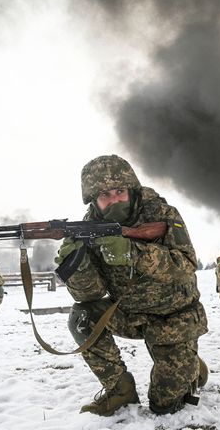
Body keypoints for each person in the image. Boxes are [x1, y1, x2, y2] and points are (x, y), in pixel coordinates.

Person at [54, 154, 208, 416]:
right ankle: (120, 390)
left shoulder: (161, 213)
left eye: (119, 191)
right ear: (93, 200)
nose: (114, 200)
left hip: (174, 319)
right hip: (129, 314)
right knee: (82, 316)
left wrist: (132, 252)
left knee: (165, 407)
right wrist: (76, 264)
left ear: (131, 189)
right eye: (105, 195)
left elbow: (186, 265)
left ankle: (191, 365)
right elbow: (91, 294)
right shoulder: (88, 227)